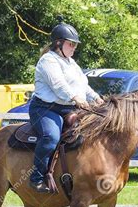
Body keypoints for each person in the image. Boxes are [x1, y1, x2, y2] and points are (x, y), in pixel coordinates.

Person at [29, 18, 103, 192]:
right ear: (58, 43)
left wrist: (95, 97)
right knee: (51, 137)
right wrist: (76, 98)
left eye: (75, 45)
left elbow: (82, 84)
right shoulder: (48, 61)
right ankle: (36, 177)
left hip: (67, 108)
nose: (74, 48)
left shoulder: (71, 62)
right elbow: (59, 85)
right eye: (71, 44)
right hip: (45, 109)